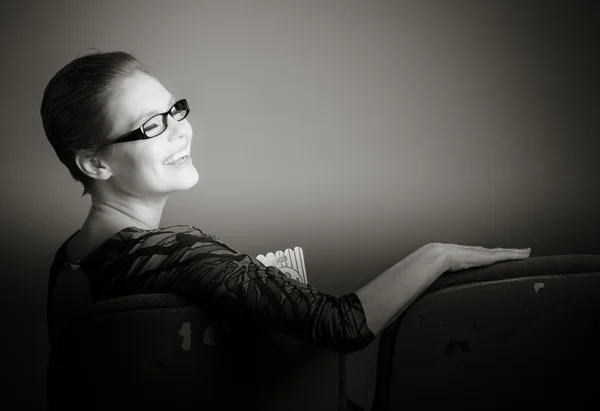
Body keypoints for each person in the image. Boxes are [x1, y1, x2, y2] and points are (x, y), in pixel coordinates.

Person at [42, 51, 531, 357]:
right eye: (152, 125)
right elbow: (342, 324)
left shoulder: (70, 261)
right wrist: (437, 254)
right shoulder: (180, 251)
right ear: (95, 164)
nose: (180, 129)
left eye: (175, 110)